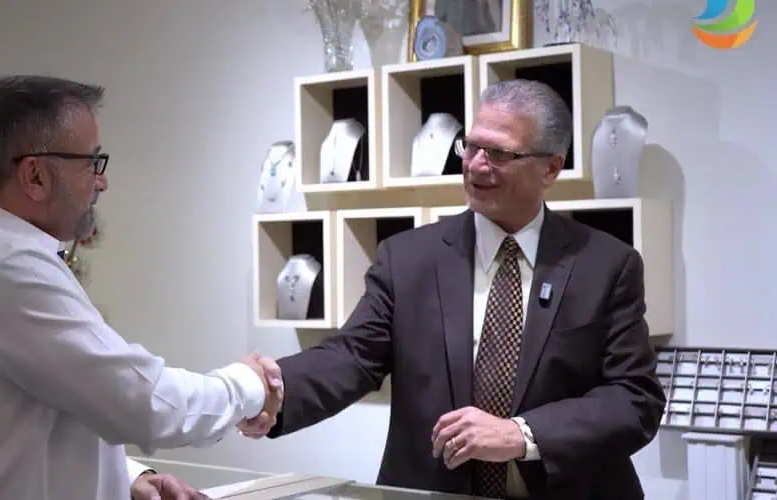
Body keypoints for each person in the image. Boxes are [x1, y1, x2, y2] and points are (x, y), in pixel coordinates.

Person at [240, 79, 666, 500]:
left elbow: (634, 397)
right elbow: (352, 356)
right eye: (472, 145)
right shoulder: (406, 258)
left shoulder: (606, 265)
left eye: (500, 153)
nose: (477, 165)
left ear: (550, 168)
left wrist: (523, 435)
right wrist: (276, 391)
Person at [0, 75, 283, 500]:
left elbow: (34, 419)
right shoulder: (6, 269)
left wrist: (127, 477)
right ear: (35, 175)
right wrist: (248, 385)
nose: (101, 182)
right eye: (91, 163)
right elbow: (143, 402)